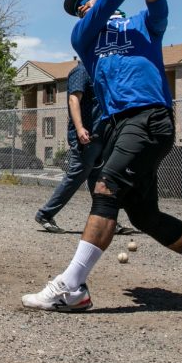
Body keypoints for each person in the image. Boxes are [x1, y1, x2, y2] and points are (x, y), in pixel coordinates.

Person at [22, 0, 182, 311]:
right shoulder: (85, 37)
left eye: (87, 0)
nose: (84, 7)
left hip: (149, 116)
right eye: (80, 8)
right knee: (144, 215)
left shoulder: (142, 26)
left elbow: (158, 5)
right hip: (114, 125)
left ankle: (71, 287)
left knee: (106, 188)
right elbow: (107, 2)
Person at [35, 63, 136, 235]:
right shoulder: (81, 71)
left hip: (101, 136)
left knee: (101, 179)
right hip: (86, 137)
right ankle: (45, 214)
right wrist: (80, 128)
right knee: (76, 175)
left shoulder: (100, 72)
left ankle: (107, 220)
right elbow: (73, 99)